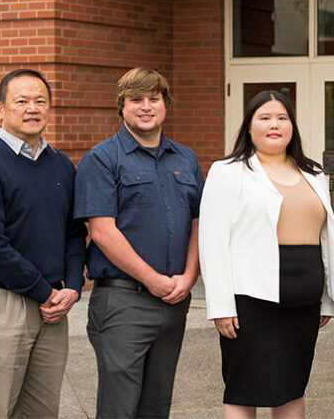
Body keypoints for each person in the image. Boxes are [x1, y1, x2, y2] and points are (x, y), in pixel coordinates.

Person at [199, 90, 334, 419]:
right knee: (243, 390)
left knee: (291, 388)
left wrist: (327, 300)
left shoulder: (314, 173)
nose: (274, 124)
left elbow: (325, 239)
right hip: (251, 303)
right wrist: (220, 306)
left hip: (303, 304)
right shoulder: (227, 171)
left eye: (282, 117)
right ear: (249, 127)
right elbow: (212, 241)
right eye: (264, 117)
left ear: (293, 126)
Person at [74, 67, 204, 418]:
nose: (146, 106)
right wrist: (153, 280)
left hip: (174, 302)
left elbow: (198, 223)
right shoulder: (102, 159)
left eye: (154, 98)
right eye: (136, 100)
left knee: (156, 406)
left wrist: (189, 277)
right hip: (122, 303)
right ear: (121, 106)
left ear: (165, 104)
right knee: (119, 409)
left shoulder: (186, 159)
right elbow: (102, 232)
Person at [0, 69, 87, 418]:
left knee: (42, 409)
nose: (33, 108)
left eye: (40, 101)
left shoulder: (61, 165)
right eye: (22, 101)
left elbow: (75, 232)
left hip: (53, 306)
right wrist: (43, 292)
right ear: (0, 108)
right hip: (1, 302)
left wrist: (73, 287)